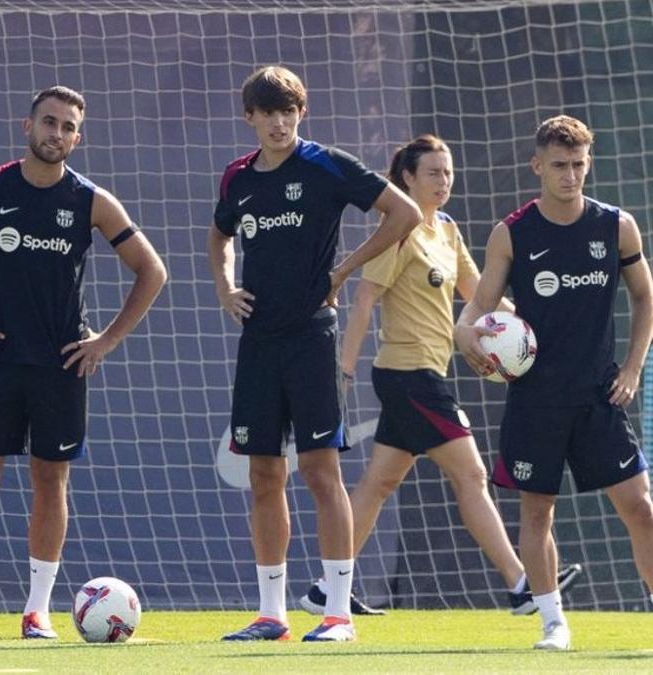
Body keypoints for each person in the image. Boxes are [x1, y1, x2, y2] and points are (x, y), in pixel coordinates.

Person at [0, 85, 166, 641]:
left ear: (78, 137)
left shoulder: (91, 200)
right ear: (27, 126)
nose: (58, 134)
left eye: (68, 127)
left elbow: (152, 271)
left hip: (61, 367)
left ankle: (37, 612)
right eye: (50, 122)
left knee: (51, 483)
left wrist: (106, 341)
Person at [300, 134, 582, 618]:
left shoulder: (447, 231)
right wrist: (342, 369)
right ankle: (521, 585)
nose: (443, 180)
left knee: (378, 484)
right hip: (408, 376)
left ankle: (327, 588)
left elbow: (479, 294)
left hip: (424, 374)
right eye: (433, 172)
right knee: (471, 473)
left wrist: (538, 334)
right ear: (407, 178)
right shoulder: (400, 228)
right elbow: (366, 299)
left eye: (448, 172)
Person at [208, 66, 422, 643]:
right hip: (259, 344)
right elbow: (219, 235)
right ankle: (272, 614)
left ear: (301, 113)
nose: (280, 122)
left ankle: (337, 615)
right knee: (263, 474)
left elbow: (405, 213)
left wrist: (345, 270)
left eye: (289, 111)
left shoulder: (327, 164)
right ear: (250, 117)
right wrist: (226, 286)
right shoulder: (237, 178)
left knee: (321, 472)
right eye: (268, 112)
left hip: (312, 338)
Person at [455, 115, 653, 650]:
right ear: (537, 166)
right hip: (535, 398)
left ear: (589, 164)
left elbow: (645, 296)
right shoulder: (512, 233)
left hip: (599, 396)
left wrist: (633, 367)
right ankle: (553, 623)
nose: (571, 176)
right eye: (560, 166)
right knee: (538, 510)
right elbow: (482, 300)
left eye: (579, 165)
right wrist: (463, 329)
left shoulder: (616, 226)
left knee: (641, 507)